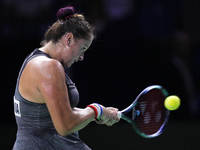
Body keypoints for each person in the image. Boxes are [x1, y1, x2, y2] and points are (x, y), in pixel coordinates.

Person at [13, 6, 119, 150]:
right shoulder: (49, 67)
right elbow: (65, 125)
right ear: (68, 39)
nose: (82, 57)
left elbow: (56, 113)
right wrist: (96, 110)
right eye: (82, 49)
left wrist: (100, 113)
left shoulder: (37, 61)